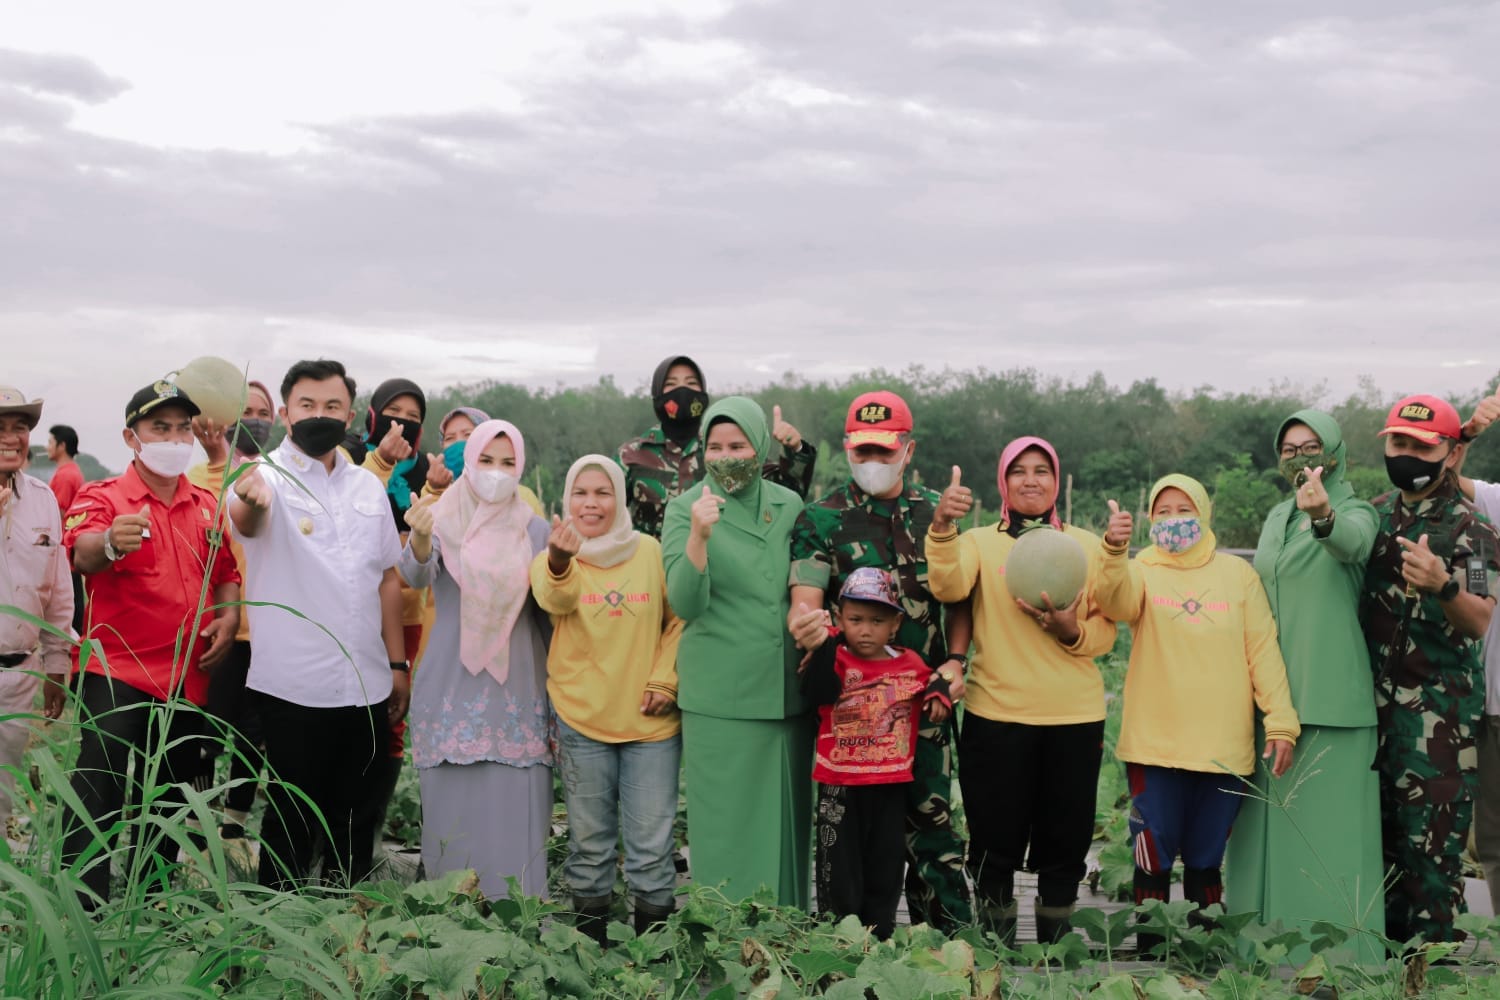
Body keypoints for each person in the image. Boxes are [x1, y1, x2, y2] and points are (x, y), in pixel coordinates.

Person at [788, 390, 972, 931]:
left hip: (924, 701)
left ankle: (946, 945)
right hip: (854, 713)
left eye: (884, 450)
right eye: (863, 450)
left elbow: (961, 598)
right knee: (852, 837)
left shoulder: (937, 512)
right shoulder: (820, 518)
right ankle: (853, 943)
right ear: (848, 448)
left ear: (908, 451)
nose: (872, 460)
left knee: (933, 827)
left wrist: (956, 661)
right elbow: (806, 595)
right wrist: (806, 623)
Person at [925, 436, 1117, 944]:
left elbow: (1106, 629)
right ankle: (996, 944)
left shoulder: (1088, 547)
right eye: (1019, 471)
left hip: (1073, 717)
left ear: (1056, 480)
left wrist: (1071, 631)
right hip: (996, 713)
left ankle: (1057, 946)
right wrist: (942, 528)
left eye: (1041, 470)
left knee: (1066, 837)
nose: (1030, 480)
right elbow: (947, 588)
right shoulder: (977, 543)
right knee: (994, 837)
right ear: (1003, 481)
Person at [1095, 474, 1299, 952]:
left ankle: (1202, 952)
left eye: (1183, 510)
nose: (1173, 520)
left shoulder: (1237, 576)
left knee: (1207, 857)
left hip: (1222, 747)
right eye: (1162, 512)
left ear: (1204, 513)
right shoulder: (1141, 569)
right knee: (1153, 852)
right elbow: (1114, 602)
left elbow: (1262, 651)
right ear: (1149, 519)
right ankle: (1150, 952)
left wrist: (1281, 722)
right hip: (1155, 744)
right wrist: (1113, 551)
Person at [229, 359, 409, 890]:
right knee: (292, 814)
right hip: (294, 686)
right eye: (307, 405)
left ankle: (349, 918)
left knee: (354, 814)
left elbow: (387, 579)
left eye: (332, 406)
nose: (319, 414)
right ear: (286, 413)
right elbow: (246, 519)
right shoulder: (262, 477)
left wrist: (397, 664)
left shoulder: (366, 487)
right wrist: (253, 503)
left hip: (366, 681)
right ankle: (278, 917)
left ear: (349, 416)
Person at [60, 380, 240, 904]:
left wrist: (229, 616)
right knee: (100, 784)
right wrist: (111, 543)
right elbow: (82, 553)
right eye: (160, 428)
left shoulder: (205, 505)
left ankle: (151, 901)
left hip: (187, 675)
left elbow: (226, 572)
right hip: (117, 669)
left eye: (182, 429)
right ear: (131, 437)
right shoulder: (103, 496)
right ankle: (82, 904)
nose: (174, 439)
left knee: (170, 793)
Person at [1223, 410, 1385, 961]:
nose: (1299, 456)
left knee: (1328, 840)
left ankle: (1339, 960)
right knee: (1261, 833)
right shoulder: (1275, 515)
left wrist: (1323, 516)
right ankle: (1258, 953)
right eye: (1289, 448)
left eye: (1311, 445)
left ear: (1335, 453)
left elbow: (1352, 544)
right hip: (1270, 698)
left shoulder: (1356, 511)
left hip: (1329, 697)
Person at [1359, 394, 1498, 945]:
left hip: (1437, 726)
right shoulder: (1370, 517)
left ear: (1450, 454)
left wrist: (1443, 586)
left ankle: (1430, 969)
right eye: (1399, 442)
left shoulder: (1475, 530)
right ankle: (1377, 968)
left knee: (1431, 861)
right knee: (1373, 853)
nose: (1408, 454)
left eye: (1422, 446)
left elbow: (1480, 619)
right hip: (1367, 718)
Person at [662, 396, 811, 908]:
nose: (726, 457)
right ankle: (725, 936)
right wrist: (698, 538)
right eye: (715, 447)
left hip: (785, 692)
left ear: (760, 447)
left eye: (738, 445)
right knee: (725, 829)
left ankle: (786, 935)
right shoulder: (685, 509)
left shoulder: (789, 504)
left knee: (784, 827)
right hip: (721, 699)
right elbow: (686, 603)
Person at [398, 419, 552, 898]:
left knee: (515, 809)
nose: (496, 472)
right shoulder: (440, 518)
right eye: (486, 460)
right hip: (451, 682)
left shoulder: (535, 530)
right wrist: (420, 537)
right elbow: (415, 577)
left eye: (508, 462)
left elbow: (552, 605)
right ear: (469, 461)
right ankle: (450, 919)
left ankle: (518, 918)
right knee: (452, 814)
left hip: (518, 686)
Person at [530, 455, 682, 942]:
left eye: (602, 493)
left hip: (651, 726)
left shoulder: (651, 552)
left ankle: (652, 959)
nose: (591, 503)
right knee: (589, 845)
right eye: (581, 493)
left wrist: (665, 680)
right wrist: (559, 560)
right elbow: (555, 600)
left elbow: (679, 620)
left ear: (620, 499)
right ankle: (589, 952)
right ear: (567, 499)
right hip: (582, 721)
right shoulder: (555, 554)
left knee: (651, 849)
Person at [801, 567, 953, 940]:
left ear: (895, 624)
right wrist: (823, 644)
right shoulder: (833, 656)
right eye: (855, 620)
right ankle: (839, 940)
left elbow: (934, 679)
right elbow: (815, 692)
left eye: (877, 621)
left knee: (885, 866)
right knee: (838, 867)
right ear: (840, 618)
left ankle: (879, 937)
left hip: (889, 784)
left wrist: (938, 693)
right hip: (840, 785)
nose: (865, 630)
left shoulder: (909, 663)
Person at [186, 380, 276, 842]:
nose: (255, 420)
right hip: (218, 625)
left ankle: (234, 829)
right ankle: (196, 828)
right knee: (205, 729)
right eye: (246, 411)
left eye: (263, 412)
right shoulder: (197, 476)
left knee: (251, 735)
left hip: (266, 629)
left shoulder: (278, 476)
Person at [618, 355, 816, 539]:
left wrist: (795, 450)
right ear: (657, 394)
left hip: (715, 561)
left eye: (691, 383)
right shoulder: (632, 454)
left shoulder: (725, 449)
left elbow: (787, 493)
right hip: (652, 562)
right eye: (671, 384)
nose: (682, 391)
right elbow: (604, 507)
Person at [0, 388, 73, 835]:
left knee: (2, 790)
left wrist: (57, 662)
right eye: (0, 427)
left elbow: (58, 587)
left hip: (18, 675)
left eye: (20, 427)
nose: (11, 437)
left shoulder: (43, 500)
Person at [1457, 389, 1500, 915]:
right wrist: (1467, 433)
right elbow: (1440, 480)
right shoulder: (1495, 502)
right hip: (1496, 709)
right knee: (1493, 840)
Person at [46, 423, 85, 634]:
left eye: (50, 442)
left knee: (67, 605)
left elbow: (58, 513)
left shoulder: (65, 475)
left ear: (61, 446)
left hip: (63, 549)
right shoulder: (72, 471)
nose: (47, 446)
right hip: (69, 549)